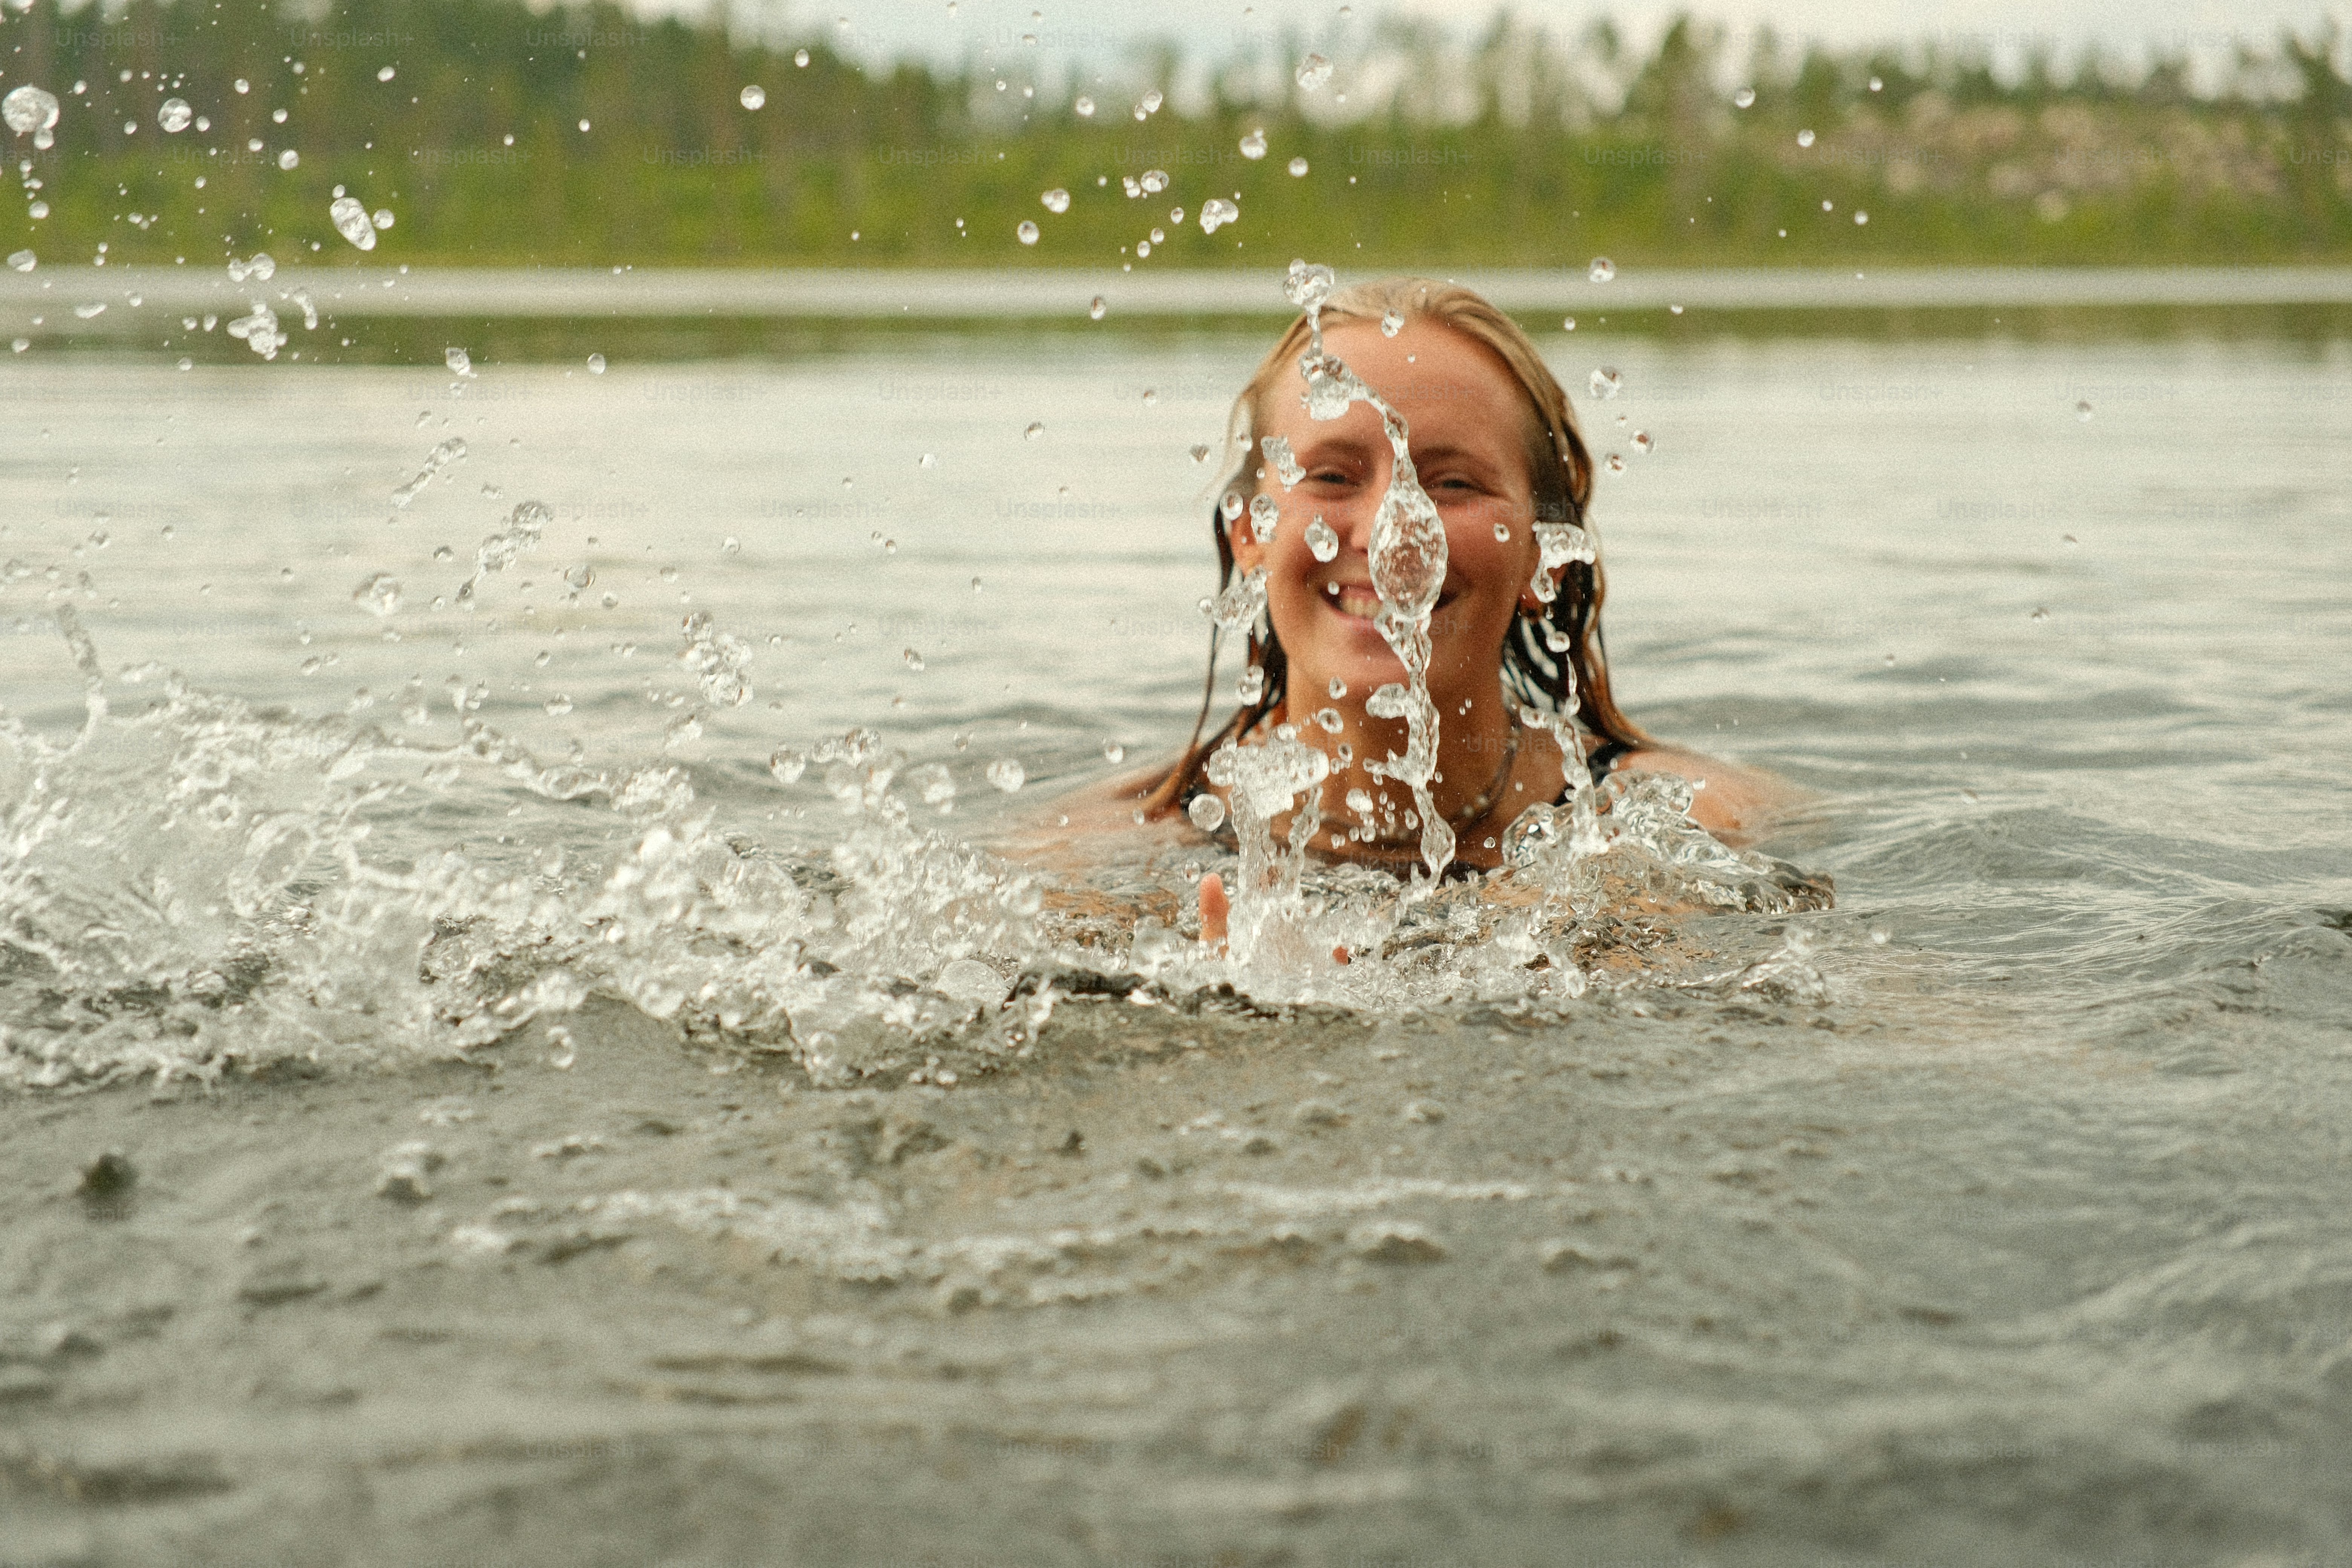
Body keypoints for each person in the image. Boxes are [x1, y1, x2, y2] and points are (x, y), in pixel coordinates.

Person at [1089, 276, 1802, 945]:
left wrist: (1621, 942)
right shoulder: (1113, 847)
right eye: (1333, 476)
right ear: (1251, 534)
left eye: (1452, 484)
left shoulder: (1696, 823)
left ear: (1543, 556)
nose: (1393, 533)